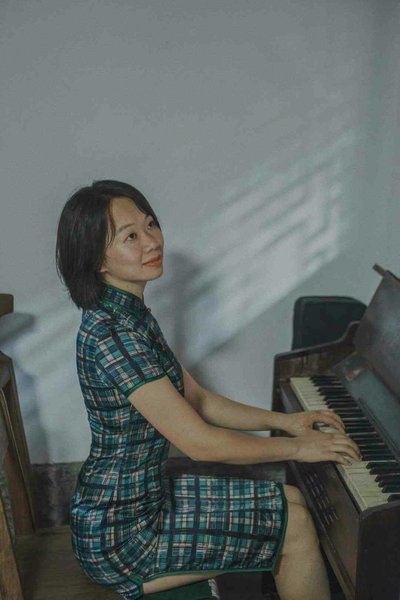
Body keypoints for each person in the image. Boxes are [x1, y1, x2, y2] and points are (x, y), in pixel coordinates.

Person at [56, 180, 361, 600]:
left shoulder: (130, 316)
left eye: (150, 224)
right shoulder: (114, 335)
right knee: (294, 527)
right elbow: (200, 443)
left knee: (290, 499)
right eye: (130, 237)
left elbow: (198, 399)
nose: (152, 241)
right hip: (123, 535)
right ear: (96, 259)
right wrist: (298, 448)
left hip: (145, 501)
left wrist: (287, 422)